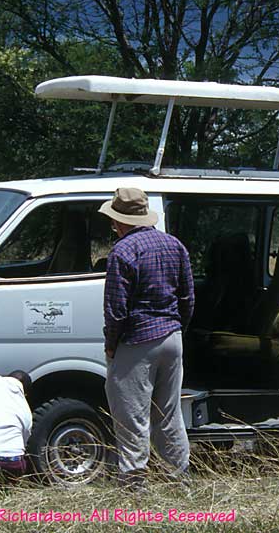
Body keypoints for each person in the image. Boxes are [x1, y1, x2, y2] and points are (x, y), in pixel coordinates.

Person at [99, 187, 195, 488]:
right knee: (168, 415)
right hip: (172, 336)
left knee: (131, 417)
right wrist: (177, 328)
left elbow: (116, 309)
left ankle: (133, 484)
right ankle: (181, 478)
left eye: (114, 221)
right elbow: (188, 298)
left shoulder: (123, 251)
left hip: (138, 340)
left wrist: (111, 346)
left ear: (121, 221)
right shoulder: (174, 245)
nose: (113, 227)